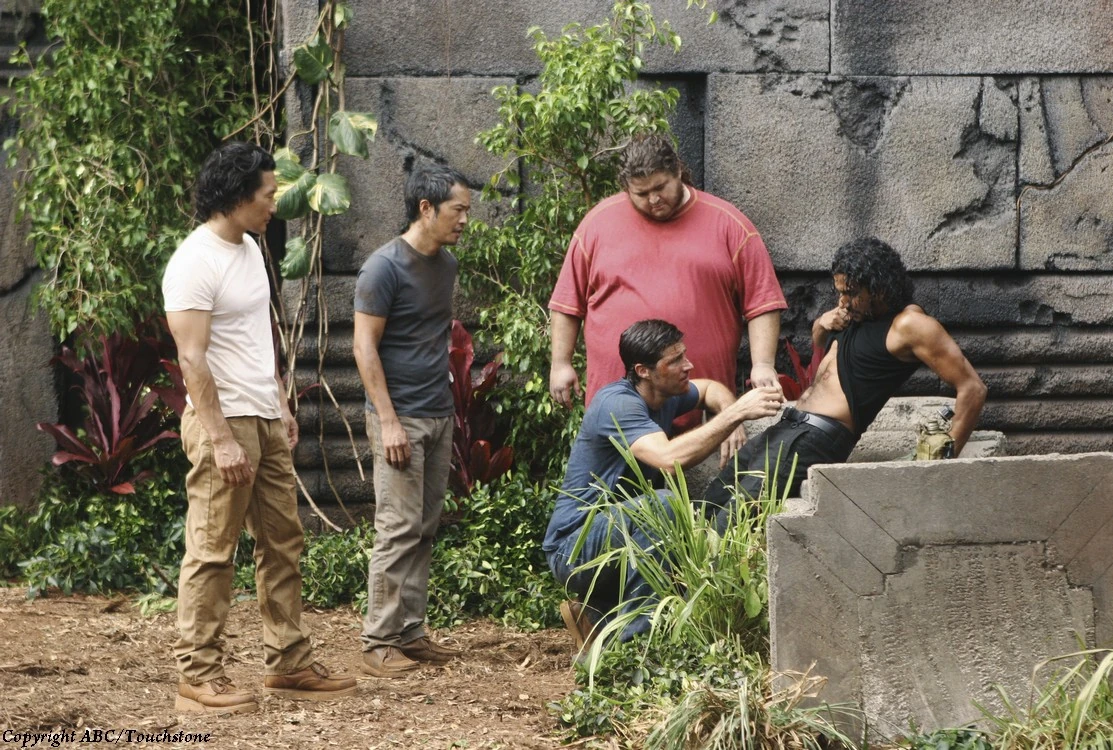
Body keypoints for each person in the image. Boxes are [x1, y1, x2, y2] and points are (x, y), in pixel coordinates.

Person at [163, 141, 357, 714]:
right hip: (222, 422)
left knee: (283, 542)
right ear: (237, 195)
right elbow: (192, 358)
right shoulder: (194, 261)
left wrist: (281, 403)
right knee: (212, 550)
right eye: (269, 194)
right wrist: (221, 439)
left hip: (265, 417)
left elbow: (257, 335)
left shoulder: (249, 247)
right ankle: (198, 677)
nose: (276, 204)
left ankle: (288, 662)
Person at [543, 319, 784, 647]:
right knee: (664, 505)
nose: (688, 365)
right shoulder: (618, 404)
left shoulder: (666, 394)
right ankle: (635, 647)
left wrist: (727, 409)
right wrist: (736, 414)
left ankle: (600, 614)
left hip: (615, 538)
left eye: (684, 355)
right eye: (675, 360)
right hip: (573, 548)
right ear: (643, 371)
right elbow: (669, 459)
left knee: (682, 524)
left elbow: (710, 389)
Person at [704, 237, 988, 513]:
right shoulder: (855, 315)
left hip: (817, 437)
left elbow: (973, 388)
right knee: (710, 504)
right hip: (789, 427)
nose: (842, 301)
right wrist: (821, 324)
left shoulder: (909, 324)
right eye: (839, 291)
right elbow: (821, 350)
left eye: (850, 292)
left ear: (878, 289)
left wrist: (944, 455)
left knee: (732, 519)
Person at [549, 133, 788, 442]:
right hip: (619, 412)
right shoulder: (597, 224)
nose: (653, 200)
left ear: (678, 171)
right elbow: (567, 303)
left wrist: (763, 364)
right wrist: (560, 363)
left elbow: (763, 302)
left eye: (660, 187)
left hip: (702, 404)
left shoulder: (729, 224)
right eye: (641, 193)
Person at [353, 163, 470, 678]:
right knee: (397, 528)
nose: (465, 220)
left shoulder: (446, 265)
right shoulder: (383, 268)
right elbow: (363, 348)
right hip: (398, 417)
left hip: (438, 414)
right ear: (426, 208)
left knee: (423, 527)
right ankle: (378, 640)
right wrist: (388, 422)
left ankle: (410, 632)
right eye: (458, 210)